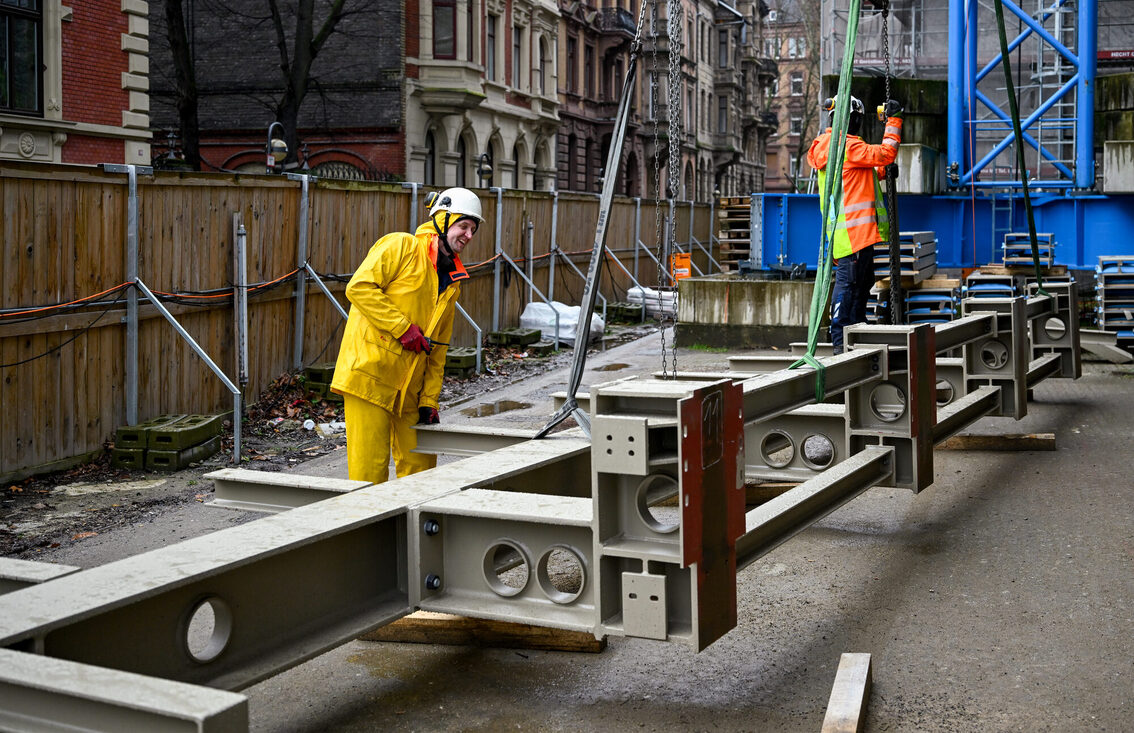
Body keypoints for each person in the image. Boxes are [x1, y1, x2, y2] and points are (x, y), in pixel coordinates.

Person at [330, 187, 483, 483]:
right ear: (442, 219)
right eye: (463, 226)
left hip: (410, 388)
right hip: (369, 376)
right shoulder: (401, 246)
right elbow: (359, 287)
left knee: (421, 469)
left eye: (473, 229)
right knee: (368, 475)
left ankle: (414, 528)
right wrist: (403, 329)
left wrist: (429, 400)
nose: (468, 235)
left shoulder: (452, 280)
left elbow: (438, 348)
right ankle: (371, 529)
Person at [807, 95, 903, 353]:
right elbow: (885, 153)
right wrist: (893, 120)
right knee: (849, 286)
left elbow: (856, 175)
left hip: (848, 235)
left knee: (860, 282)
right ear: (854, 119)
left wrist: (882, 173)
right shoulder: (847, 146)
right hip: (855, 235)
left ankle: (855, 330)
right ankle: (840, 341)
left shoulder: (833, 148)